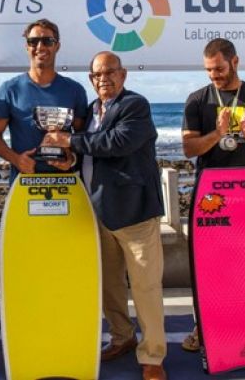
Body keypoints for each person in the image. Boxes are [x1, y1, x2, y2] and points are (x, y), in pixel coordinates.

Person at [42, 51, 167, 380]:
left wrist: (69, 140)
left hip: (135, 212)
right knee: (110, 285)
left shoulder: (135, 105)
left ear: (123, 75)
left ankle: (153, 356)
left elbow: (117, 142)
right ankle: (122, 338)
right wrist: (68, 161)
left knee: (145, 288)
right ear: (91, 79)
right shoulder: (90, 111)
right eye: (97, 74)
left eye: (110, 72)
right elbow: (90, 155)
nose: (104, 79)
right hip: (98, 212)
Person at [180, 37, 245, 352]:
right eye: (209, 70)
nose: (214, 75)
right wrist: (218, 133)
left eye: (219, 69)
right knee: (208, 265)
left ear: (235, 61)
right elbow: (189, 148)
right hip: (210, 194)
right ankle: (203, 326)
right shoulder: (197, 99)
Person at [0, 19, 88, 180]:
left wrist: (72, 159)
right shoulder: (9, 89)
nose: (40, 47)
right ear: (27, 46)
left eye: (47, 41)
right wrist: (16, 160)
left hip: (65, 181)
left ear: (57, 46)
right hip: (23, 181)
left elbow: (83, 136)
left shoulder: (75, 90)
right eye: (33, 41)